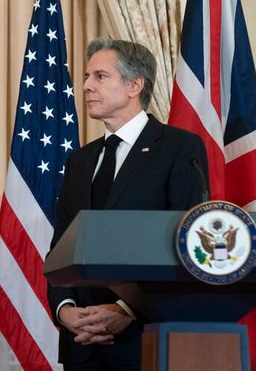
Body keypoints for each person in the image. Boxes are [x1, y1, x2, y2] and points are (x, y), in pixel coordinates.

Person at [47, 38, 208, 370]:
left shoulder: (179, 149)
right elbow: (60, 249)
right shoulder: (79, 160)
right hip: (82, 344)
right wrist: (65, 311)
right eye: (87, 76)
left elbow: (184, 247)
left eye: (100, 77)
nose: (86, 86)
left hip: (145, 340)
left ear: (135, 85)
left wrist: (126, 309)